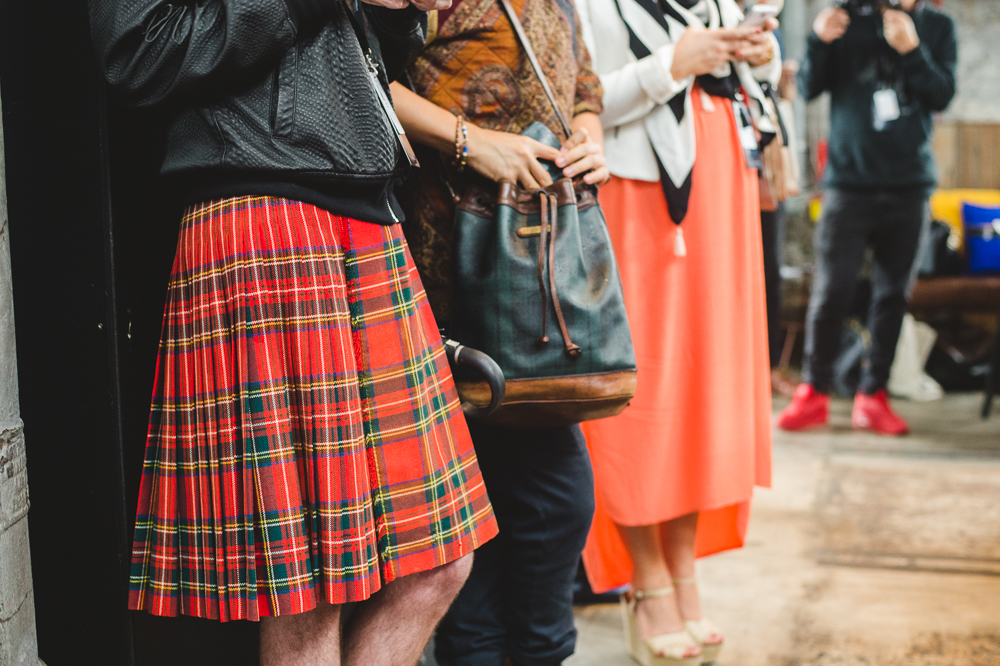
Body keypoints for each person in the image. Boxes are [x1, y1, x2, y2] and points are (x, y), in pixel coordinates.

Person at [88, 0, 499, 664]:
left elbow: (355, 67)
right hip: (265, 214)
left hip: (364, 214)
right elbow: (138, 52)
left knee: (438, 563)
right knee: (309, 590)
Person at [388, 0, 607, 662]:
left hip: (538, 268)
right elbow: (366, 73)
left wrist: (590, 139)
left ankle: (533, 649)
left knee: (544, 503)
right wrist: (469, 140)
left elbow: (584, 84)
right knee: (480, 513)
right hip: (449, 258)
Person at [575, 0, 777, 662]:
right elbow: (572, 97)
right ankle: (647, 579)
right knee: (643, 388)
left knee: (705, 389)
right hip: (636, 191)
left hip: (723, 185)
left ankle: (685, 572)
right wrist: (670, 65)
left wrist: (754, 58)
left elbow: (750, 97)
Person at [776, 0, 956, 435]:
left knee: (893, 295)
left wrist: (912, 50)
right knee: (829, 291)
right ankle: (814, 392)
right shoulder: (845, 18)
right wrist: (818, 41)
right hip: (846, 185)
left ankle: (874, 395)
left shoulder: (937, 26)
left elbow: (942, 94)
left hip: (909, 186)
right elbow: (808, 86)